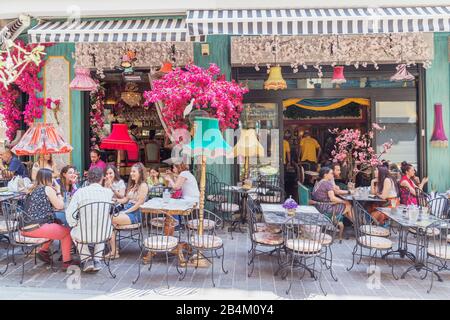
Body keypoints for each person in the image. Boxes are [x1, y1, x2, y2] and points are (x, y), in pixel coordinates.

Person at [20, 168, 77, 270]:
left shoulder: (32, 189)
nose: (54, 180)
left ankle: (43, 251)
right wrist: (58, 191)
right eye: (53, 178)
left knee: (55, 223)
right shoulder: (47, 189)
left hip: (24, 227)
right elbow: (60, 206)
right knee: (67, 233)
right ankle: (67, 262)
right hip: (36, 227)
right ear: (48, 179)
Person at [65, 167, 114, 273]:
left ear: (88, 179)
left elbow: (69, 214)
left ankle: (86, 259)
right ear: (102, 178)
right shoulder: (108, 193)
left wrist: (74, 223)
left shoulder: (80, 192)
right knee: (101, 226)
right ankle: (97, 259)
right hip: (104, 233)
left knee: (74, 232)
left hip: (84, 234)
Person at [107, 163, 148, 259]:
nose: (131, 173)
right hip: (128, 210)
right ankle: (114, 251)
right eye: (131, 171)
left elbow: (139, 203)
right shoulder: (133, 185)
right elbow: (125, 200)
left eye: (134, 171)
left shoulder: (143, 185)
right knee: (110, 224)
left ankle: (113, 251)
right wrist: (115, 200)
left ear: (140, 173)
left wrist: (126, 212)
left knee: (108, 219)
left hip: (135, 213)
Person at [311, 167, 353, 240]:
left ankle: (354, 224)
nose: (332, 175)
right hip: (325, 207)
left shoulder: (319, 181)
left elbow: (335, 192)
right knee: (348, 205)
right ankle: (356, 225)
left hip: (318, 205)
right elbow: (332, 198)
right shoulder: (327, 183)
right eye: (331, 173)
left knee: (347, 207)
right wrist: (343, 201)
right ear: (325, 175)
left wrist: (346, 195)